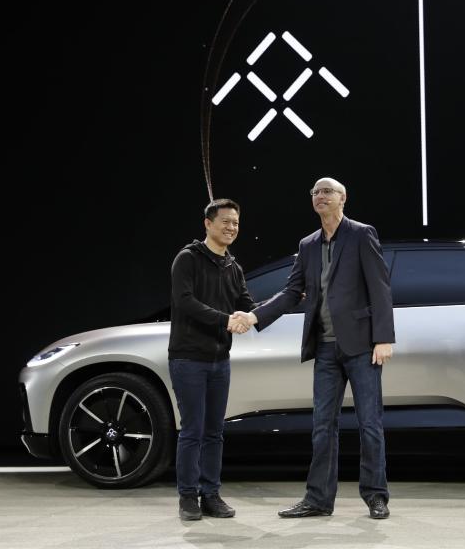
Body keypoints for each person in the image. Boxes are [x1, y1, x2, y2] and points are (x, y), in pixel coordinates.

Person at [232, 177, 394, 519]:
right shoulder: (308, 245)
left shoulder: (362, 234)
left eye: (327, 191)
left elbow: (380, 288)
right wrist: (255, 315)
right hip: (325, 349)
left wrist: (383, 338)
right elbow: (292, 292)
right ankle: (318, 499)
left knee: (369, 424)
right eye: (315, 192)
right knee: (322, 426)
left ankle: (376, 495)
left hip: (362, 347)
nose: (320, 196)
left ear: (343, 198)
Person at [168, 198, 255, 521]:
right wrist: (226, 320)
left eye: (235, 222)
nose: (231, 227)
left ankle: (211, 494)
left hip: (221, 360)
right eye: (225, 222)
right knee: (192, 430)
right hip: (188, 359)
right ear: (208, 223)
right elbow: (185, 301)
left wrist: (286, 298)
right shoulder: (187, 259)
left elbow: (246, 302)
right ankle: (188, 497)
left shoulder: (233, 266)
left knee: (215, 431)